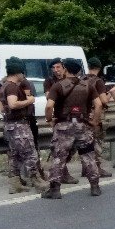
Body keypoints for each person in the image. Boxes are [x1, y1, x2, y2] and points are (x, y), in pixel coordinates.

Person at [42, 58, 104, 199]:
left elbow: (49, 106)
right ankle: (95, 187)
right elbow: (99, 105)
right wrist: (94, 121)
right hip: (83, 125)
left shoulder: (58, 86)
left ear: (65, 69)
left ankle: (55, 190)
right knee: (88, 156)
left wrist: (49, 120)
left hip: (64, 126)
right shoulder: (88, 85)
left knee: (59, 157)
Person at [0, 57, 49, 194]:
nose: (23, 75)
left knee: (15, 155)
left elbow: (2, 106)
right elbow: (13, 104)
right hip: (19, 125)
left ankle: (15, 184)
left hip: (10, 125)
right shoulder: (12, 86)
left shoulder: (4, 85)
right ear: (18, 72)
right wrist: (29, 100)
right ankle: (37, 181)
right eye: (22, 72)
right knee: (30, 153)